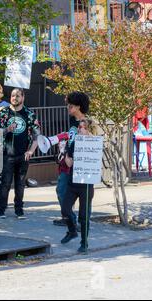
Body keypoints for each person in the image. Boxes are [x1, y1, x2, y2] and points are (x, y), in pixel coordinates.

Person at [0, 88, 40, 219]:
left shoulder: (29, 114)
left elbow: (37, 135)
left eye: (18, 96)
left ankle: (19, 210)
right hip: (7, 154)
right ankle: (1, 209)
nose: (15, 98)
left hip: (23, 154)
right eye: (13, 96)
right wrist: (7, 129)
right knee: (5, 184)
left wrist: (31, 150)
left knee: (20, 185)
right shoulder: (3, 113)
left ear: (23, 97)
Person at [60, 118, 97, 254]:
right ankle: (72, 231)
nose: (80, 129)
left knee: (83, 215)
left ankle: (84, 243)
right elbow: (69, 163)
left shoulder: (94, 144)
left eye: (83, 127)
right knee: (65, 209)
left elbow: (96, 162)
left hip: (86, 185)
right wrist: (64, 153)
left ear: (89, 130)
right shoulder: (75, 142)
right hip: (73, 182)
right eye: (79, 127)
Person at [53, 92, 90, 227]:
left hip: (80, 162)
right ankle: (68, 217)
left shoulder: (86, 122)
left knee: (81, 194)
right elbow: (72, 137)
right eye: (68, 105)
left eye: (71, 106)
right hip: (67, 159)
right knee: (61, 189)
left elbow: (88, 142)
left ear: (78, 107)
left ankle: (78, 222)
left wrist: (73, 156)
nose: (68, 107)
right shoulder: (72, 120)